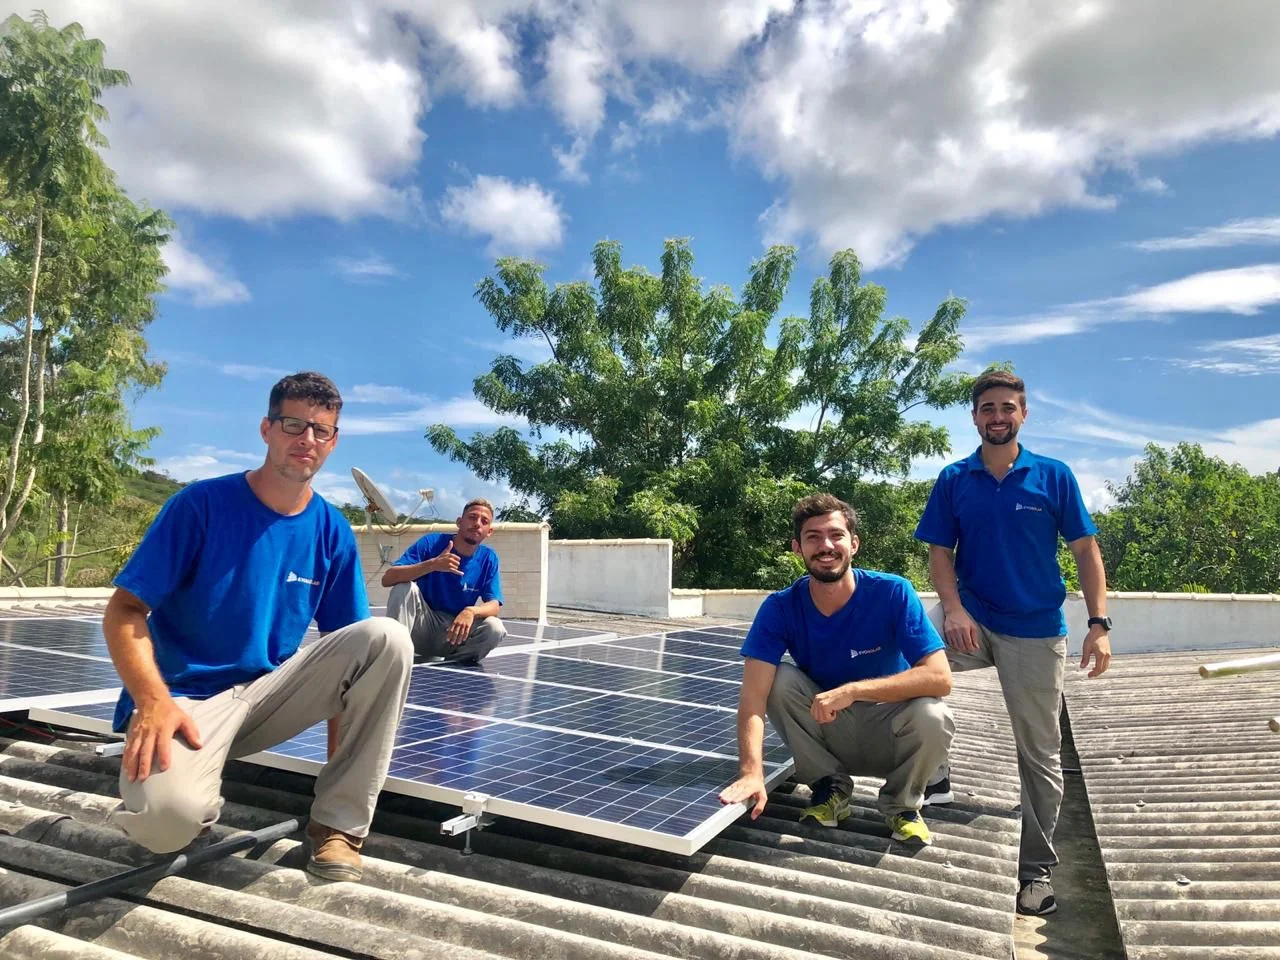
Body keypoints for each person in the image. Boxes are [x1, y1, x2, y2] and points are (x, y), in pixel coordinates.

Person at [103, 372, 413, 882]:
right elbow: (124, 611)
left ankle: (337, 827)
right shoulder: (201, 505)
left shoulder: (331, 528)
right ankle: (193, 799)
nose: (306, 440)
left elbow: (356, 660)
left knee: (388, 639)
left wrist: (342, 782)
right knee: (164, 826)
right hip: (185, 702)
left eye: (321, 430)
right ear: (266, 429)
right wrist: (151, 701)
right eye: (293, 425)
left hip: (266, 695)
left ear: (333, 442)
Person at [914, 368, 1113, 917]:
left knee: (1040, 755)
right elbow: (939, 554)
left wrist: (1099, 625)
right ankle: (936, 769)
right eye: (987, 409)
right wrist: (952, 609)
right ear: (974, 417)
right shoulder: (955, 478)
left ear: (1023, 414)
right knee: (905, 664)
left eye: (1007, 408)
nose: (997, 417)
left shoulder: (1053, 476)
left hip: (1034, 630)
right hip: (971, 619)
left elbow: (1086, 553)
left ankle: (1035, 871)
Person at [719, 493, 954, 846]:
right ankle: (830, 789)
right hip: (830, 733)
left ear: (854, 544)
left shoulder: (893, 592)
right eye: (813, 537)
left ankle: (902, 806)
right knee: (778, 681)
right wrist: (751, 772)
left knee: (934, 713)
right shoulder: (780, 607)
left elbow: (940, 677)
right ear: (797, 548)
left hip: (890, 735)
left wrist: (853, 691)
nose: (825, 546)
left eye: (836, 535)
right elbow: (753, 699)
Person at [382, 499, 507, 663]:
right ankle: (393, 659)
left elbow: (494, 604)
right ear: (459, 522)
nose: (477, 524)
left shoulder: (488, 558)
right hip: (421, 625)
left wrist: (471, 611)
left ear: (489, 531)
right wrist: (432, 565)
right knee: (404, 588)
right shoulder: (431, 543)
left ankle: (452, 668)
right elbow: (388, 578)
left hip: (455, 633)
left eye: (484, 521)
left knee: (495, 628)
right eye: (472, 517)